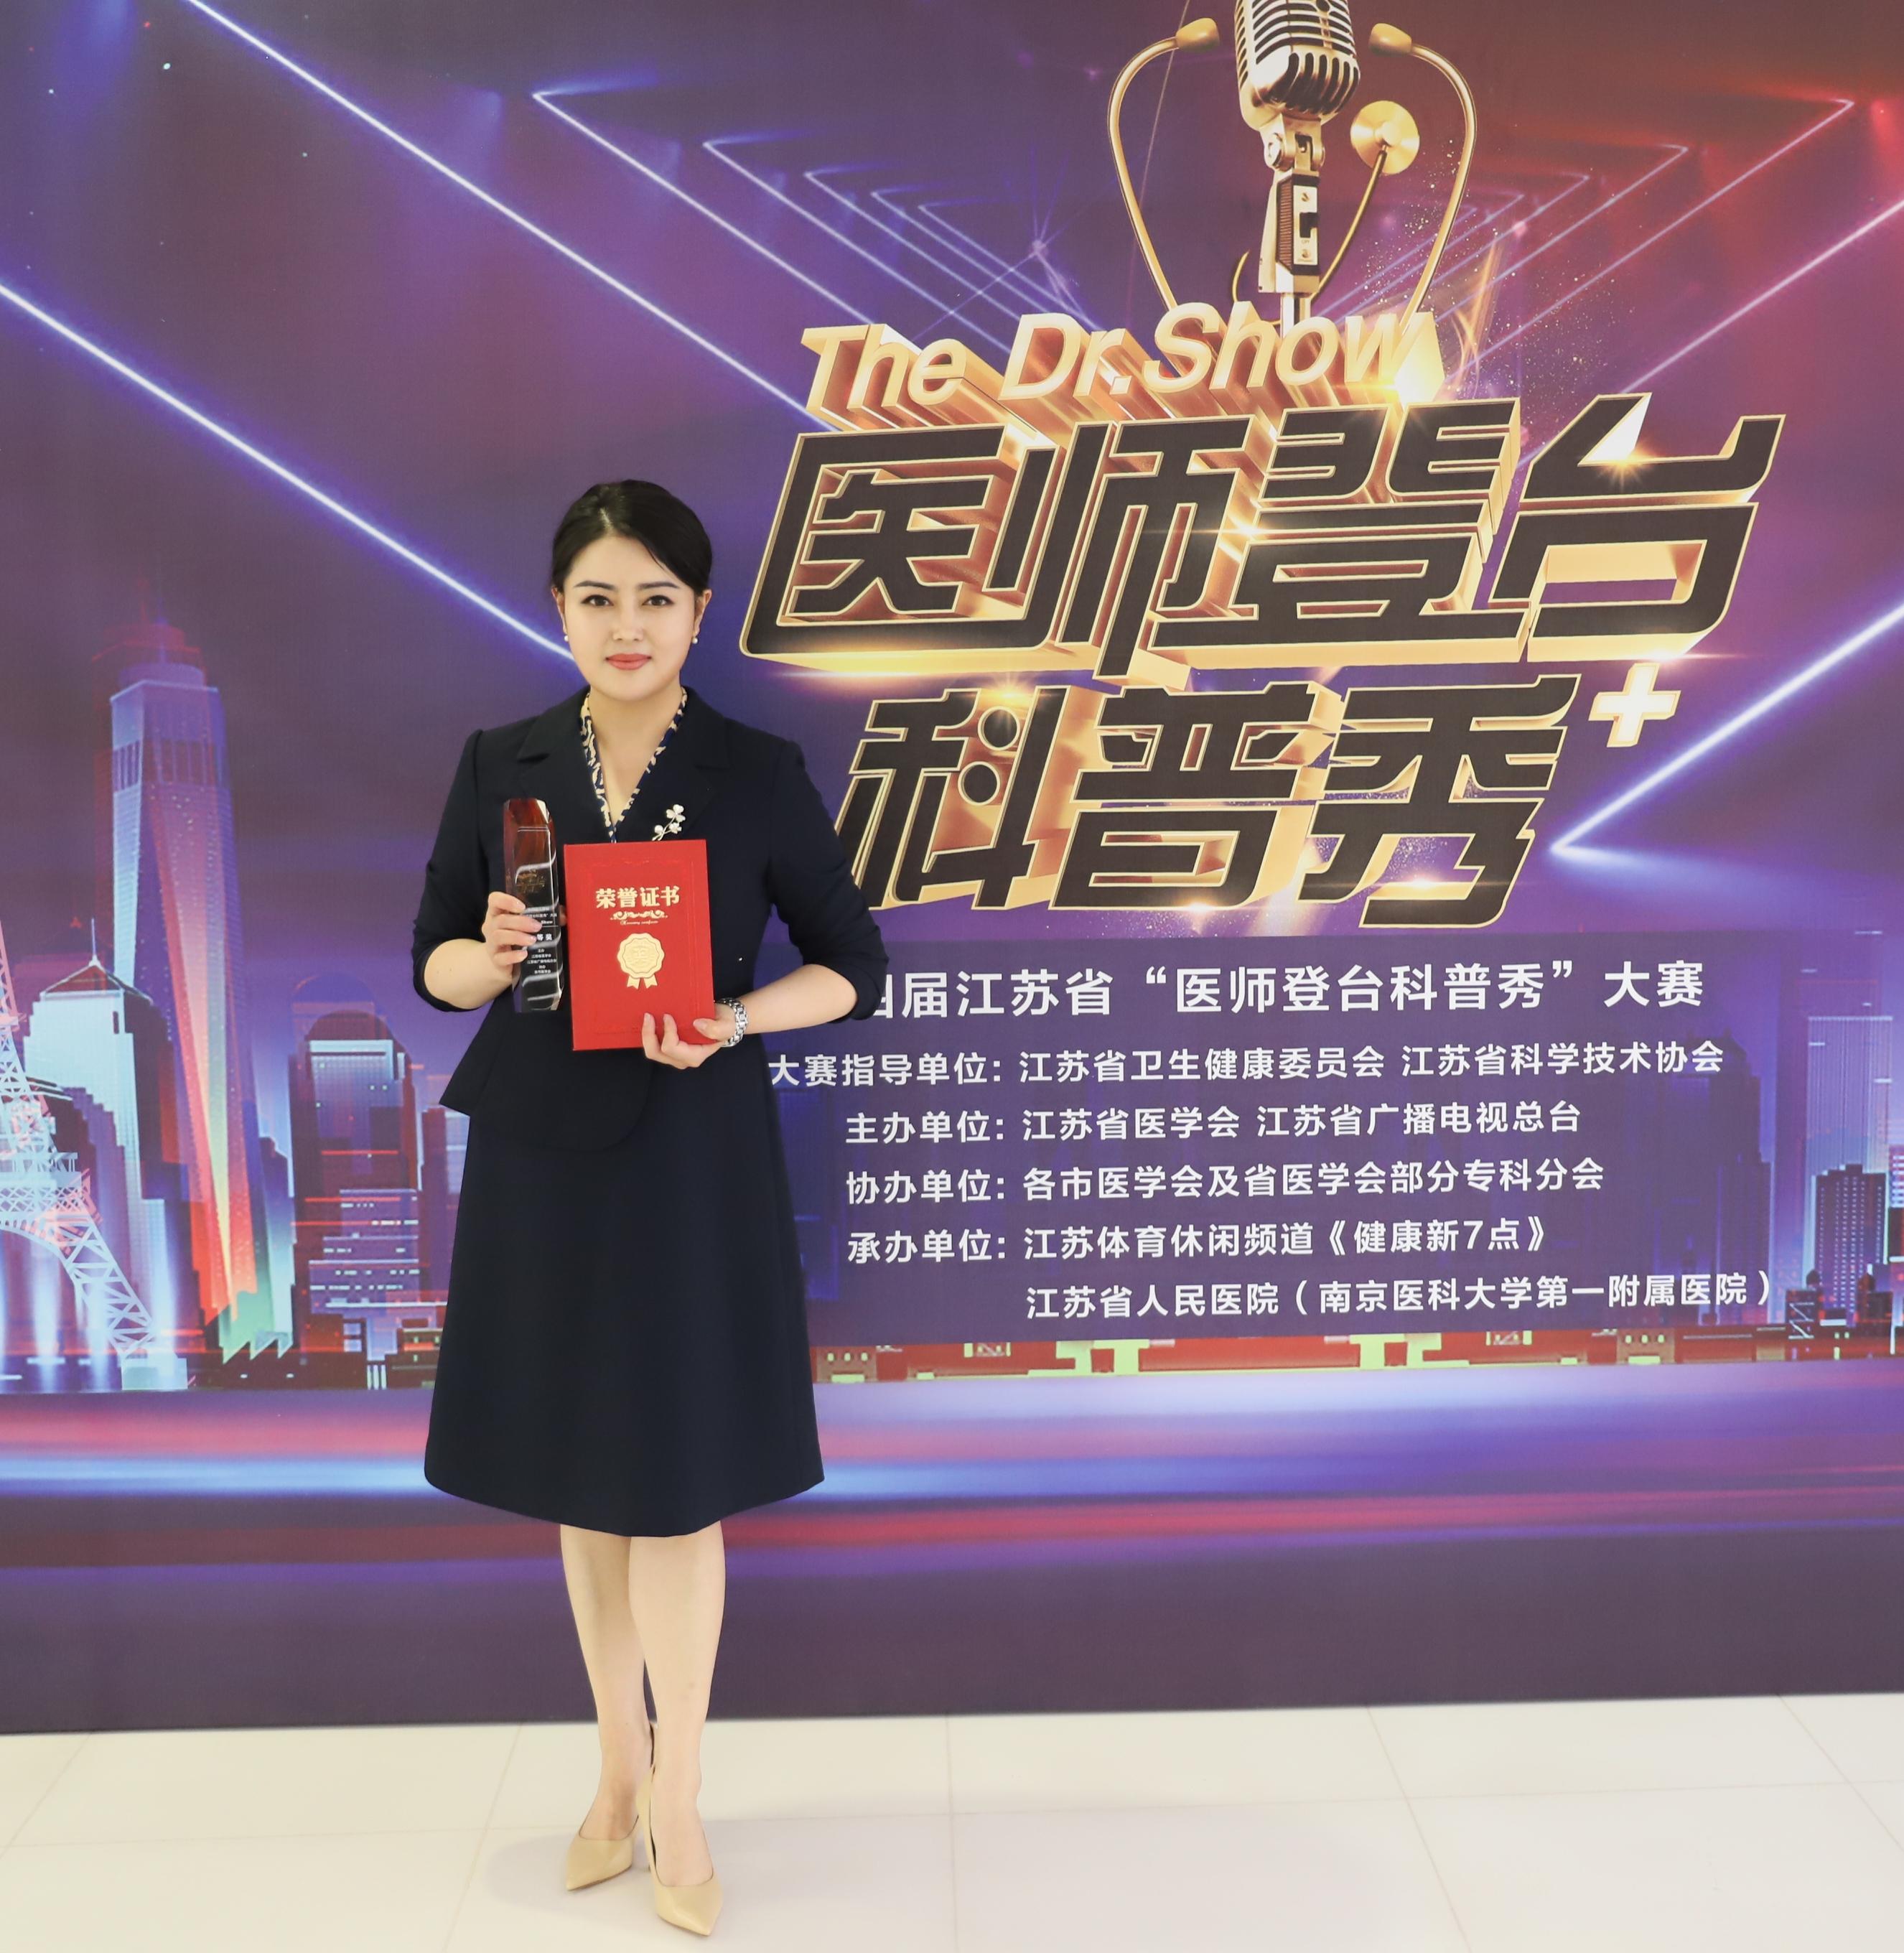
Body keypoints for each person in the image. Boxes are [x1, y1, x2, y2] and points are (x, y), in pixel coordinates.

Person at [409, 479, 889, 1937]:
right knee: (585, 1482)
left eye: (656, 599)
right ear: (559, 610)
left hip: (690, 1154)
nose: (628, 626)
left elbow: (854, 966)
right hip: (544, 1157)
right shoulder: (500, 761)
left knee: (675, 1485)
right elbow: (433, 962)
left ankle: (679, 1799)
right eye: (599, 599)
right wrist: (492, 953)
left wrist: (738, 1016)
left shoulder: (754, 767)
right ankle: (614, 1772)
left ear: (699, 611)